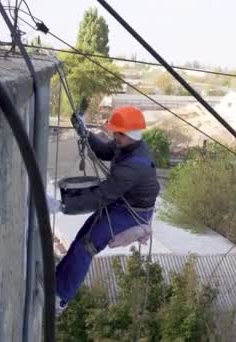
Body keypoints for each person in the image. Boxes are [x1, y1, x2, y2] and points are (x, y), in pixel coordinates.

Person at [55, 106, 160, 314]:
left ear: (127, 134)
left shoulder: (134, 166)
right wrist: (84, 131)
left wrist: (63, 206)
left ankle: (60, 299)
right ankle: (56, 280)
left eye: (117, 133)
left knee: (87, 247)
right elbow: (103, 151)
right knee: (81, 238)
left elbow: (102, 195)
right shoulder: (127, 146)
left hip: (132, 213)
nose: (114, 135)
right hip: (120, 203)